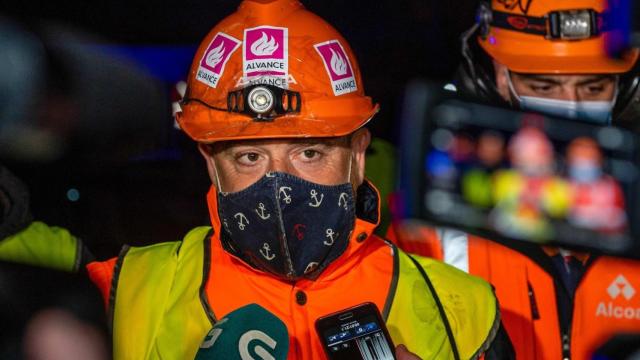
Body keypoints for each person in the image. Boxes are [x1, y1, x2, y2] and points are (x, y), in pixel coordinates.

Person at [81, 1, 515, 359]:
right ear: (211, 164)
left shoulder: (464, 312)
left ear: (358, 155)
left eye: (309, 152)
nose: (280, 186)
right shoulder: (119, 295)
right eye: (250, 156)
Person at [393, 0, 640, 359]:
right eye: (543, 87)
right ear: (494, 78)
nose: (570, 109)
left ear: (625, 89)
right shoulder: (427, 232)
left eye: (593, 88)